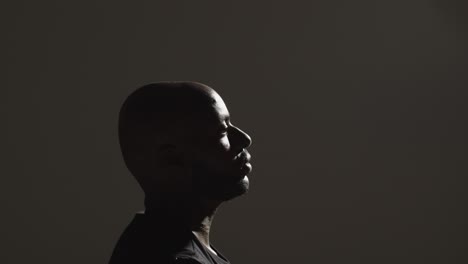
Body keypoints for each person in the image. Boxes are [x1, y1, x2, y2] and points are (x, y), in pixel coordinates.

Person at [109, 82, 253, 264]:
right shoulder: (172, 258)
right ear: (171, 159)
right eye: (222, 131)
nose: (244, 139)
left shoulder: (156, 241)